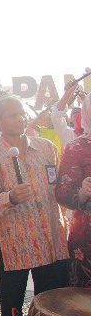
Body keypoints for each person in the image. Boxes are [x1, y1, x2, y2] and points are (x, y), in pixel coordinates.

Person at [0, 96, 69, 316]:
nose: (20, 119)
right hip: (15, 248)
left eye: (22, 113)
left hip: (52, 244)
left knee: (53, 312)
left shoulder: (47, 148)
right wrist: (10, 197)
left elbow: (59, 189)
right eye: (12, 115)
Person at [56, 93, 91, 287]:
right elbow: (62, 192)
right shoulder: (76, 148)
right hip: (87, 243)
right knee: (84, 308)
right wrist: (82, 193)